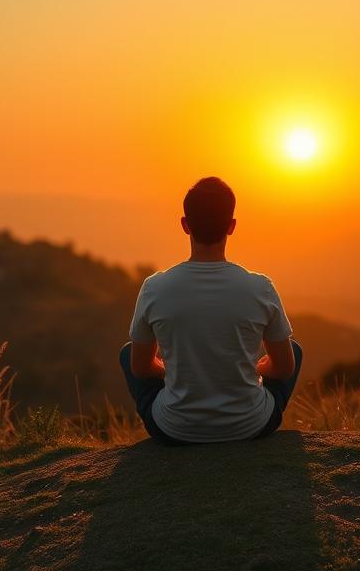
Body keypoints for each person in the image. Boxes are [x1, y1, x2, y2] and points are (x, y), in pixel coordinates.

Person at [119, 176, 303, 444]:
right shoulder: (260, 287)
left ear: (185, 225)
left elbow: (141, 368)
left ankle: (180, 410)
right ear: (231, 226)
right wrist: (253, 368)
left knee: (129, 354)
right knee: (293, 350)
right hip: (250, 427)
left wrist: (170, 370)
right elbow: (285, 368)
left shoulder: (154, 288)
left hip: (174, 431)